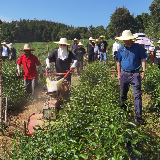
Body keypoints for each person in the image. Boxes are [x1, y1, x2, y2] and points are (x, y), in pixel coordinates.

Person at [115, 30, 147, 124]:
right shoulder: (121, 49)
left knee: (137, 94)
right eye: (123, 39)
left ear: (130, 39)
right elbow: (118, 62)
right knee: (123, 93)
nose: (124, 41)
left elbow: (143, 59)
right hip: (124, 73)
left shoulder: (138, 47)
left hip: (135, 74)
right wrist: (119, 73)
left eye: (126, 39)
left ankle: (138, 116)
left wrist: (143, 71)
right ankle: (123, 111)